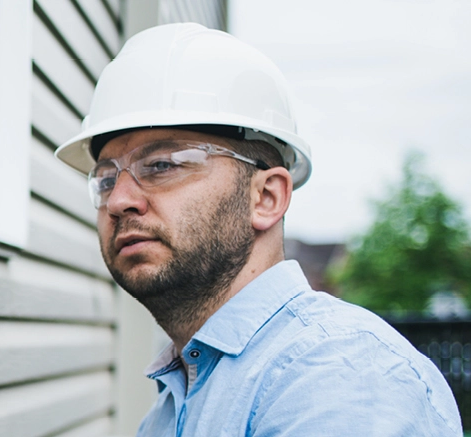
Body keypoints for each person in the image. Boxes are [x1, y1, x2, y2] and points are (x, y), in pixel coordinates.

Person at [46, 22, 460, 436]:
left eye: (161, 165)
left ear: (265, 197)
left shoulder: (341, 379)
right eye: (105, 179)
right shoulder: (169, 410)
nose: (119, 200)